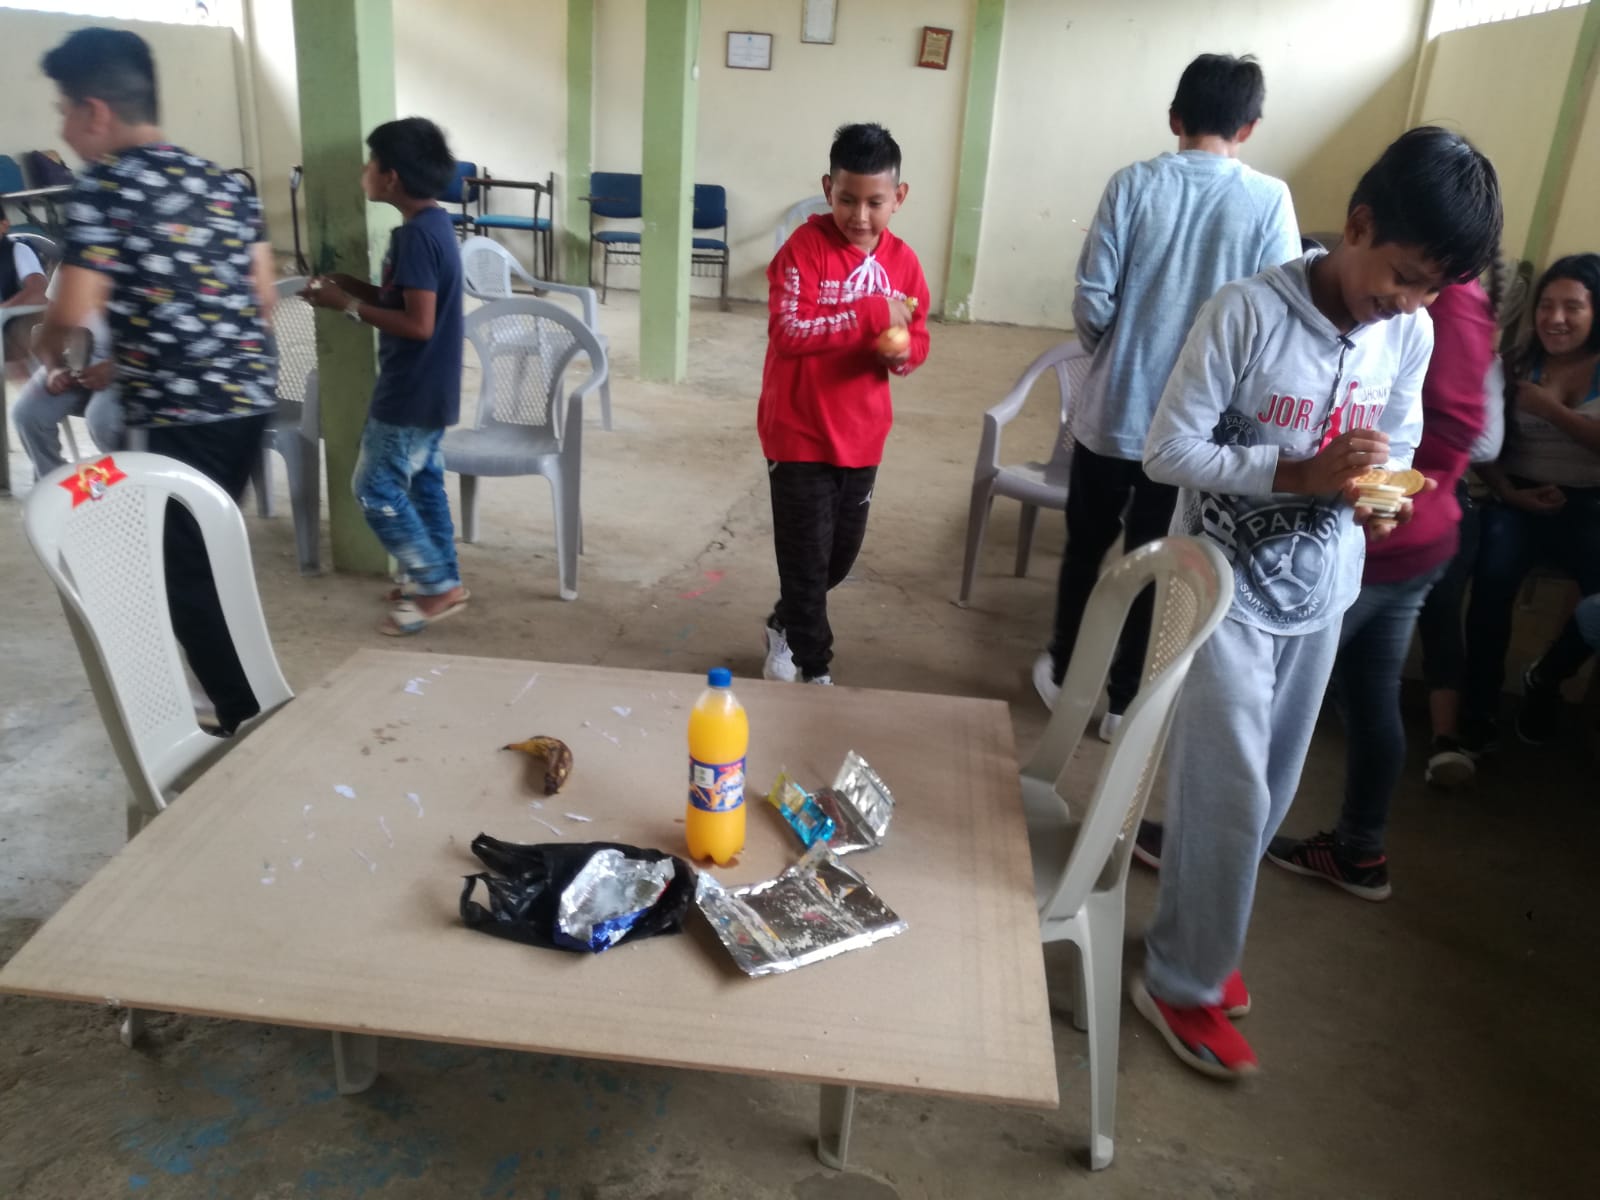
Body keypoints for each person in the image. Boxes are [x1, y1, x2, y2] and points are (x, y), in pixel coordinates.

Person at [1130, 126, 1501, 1078]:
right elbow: (1168, 451)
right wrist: (1297, 472)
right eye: (1404, 276)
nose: (1409, 302)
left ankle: (1204, 936)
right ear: (1359, 224)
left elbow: (1399, 441)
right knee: (1226, 787)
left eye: (1431, 289)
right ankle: (1179, 979)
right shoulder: (1246, 314)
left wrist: (1383, 497)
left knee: (1274, 784)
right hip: (1219, 587)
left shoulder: (1409, 332)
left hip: (1322, 590)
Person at [1035, 53, 1300, 739]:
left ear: (1175, 118)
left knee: (1086, 548)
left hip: (1112, 412)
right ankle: (1125, 702)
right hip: (1193, 434)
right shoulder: (1269, 200)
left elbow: (1093, 298)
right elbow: (1276, 321)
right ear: (1250, 126)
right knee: (1156, 563)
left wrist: (1115, 351)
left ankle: (1064, 674)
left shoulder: (1132, 184)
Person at [35, 26, 277, 736]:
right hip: (250, 399)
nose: (62, 128)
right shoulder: (225, 183)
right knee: (210, 553)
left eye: (63, 110)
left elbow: (73, 310)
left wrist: (46, 350)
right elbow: (263, 295)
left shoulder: (104, 187)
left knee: (182, 575)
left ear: (95, 111)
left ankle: (246, 719)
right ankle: (238, 691)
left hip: (179, 415)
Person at [1266, 277, 1499, 899]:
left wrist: (1379, 486)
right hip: (1415, 536)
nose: (1405, 297)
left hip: (1380, 538)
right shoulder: (1458, 298)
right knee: (1370, 696)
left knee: (1266, 697)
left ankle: (1211, 840)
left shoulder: (1437, 303)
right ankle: (1359, 850)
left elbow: (1442, 431)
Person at [759, 123, 930, 685]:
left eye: (875, 202)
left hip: (862, 438)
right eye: (847, 199)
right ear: (828, 188)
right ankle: (816, 671)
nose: (860, 215)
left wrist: (899, 356)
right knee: (806, 563)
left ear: (898, 197)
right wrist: (868, 314)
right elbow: (788, 332)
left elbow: (917, 339)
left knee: (836, 559)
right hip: (798, 433)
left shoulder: (904, 265)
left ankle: (784, 622)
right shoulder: (801, 252)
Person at [302, 117, 467, 636]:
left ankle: (435, 585)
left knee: (373, 488)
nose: (364, 170)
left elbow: (419, 325)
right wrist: (352, 287)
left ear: (391, 176)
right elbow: (407, 301)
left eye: (371, 162)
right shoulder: (434, 226)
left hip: (410, 390)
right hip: (431, 386)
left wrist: (347, 305)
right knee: (423, 486)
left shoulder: (416, 237)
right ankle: (443, 577)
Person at [1463, 253, 1600, 747]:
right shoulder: (1513, 364)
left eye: (1572, 307)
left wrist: (1549, 409)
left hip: (1590, 506)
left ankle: (1547, 677)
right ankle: (1478, 710)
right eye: (1546, 305)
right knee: (1492, 579)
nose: (1555, 318)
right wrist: (1509, 492)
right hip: (1517, 498)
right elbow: (1480, 443)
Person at [12, 281, 123, 477]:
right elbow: (49, 330)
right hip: (77, 359)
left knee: (103, 420)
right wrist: (54, 369)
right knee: (27, 414)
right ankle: (54, 482)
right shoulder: (69, 270)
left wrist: (114, 368)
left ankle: (126, 482)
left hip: (129, 369)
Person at [1, 201, 50, 366]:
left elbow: (39, 293)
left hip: (12, 336)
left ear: (4, 225)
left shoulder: (18, 251)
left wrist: (3, 310)